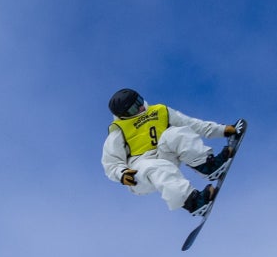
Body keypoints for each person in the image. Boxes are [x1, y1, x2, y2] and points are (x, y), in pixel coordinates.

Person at [102, 88, 244, 214]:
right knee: (155, 167)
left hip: (163, 156)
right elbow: (111, 163)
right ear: (124, 115)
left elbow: (192, 124)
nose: (140, 108)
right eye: (133, 109)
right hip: (139, 174)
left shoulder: (160, 111)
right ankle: (193, 202)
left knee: (175, 134)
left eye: (139, 101)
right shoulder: (119, 130)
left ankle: (207, 165)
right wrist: (122, 174)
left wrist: (222, 130)